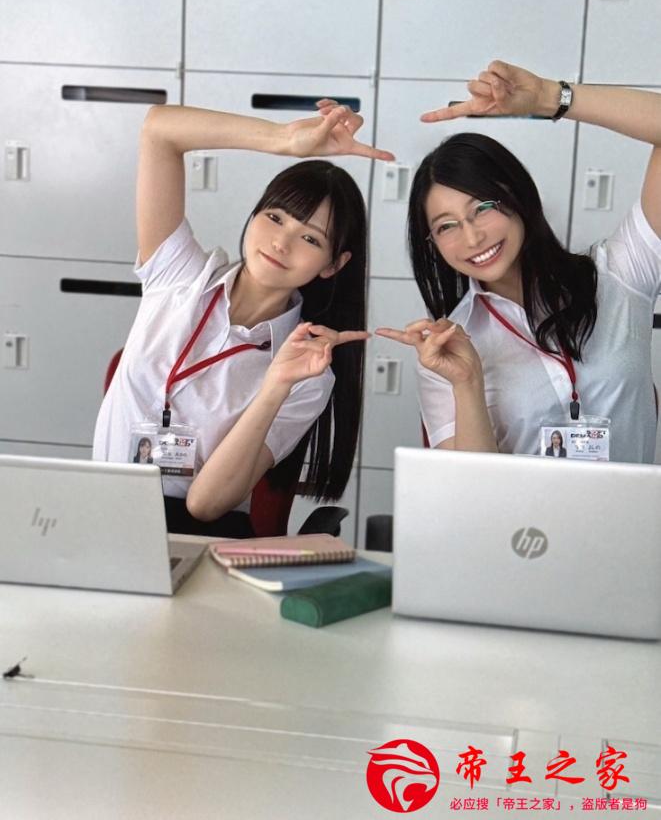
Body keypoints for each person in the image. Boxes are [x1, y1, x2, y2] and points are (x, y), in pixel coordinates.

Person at [93, 102, 394, 536]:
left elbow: (205, 505)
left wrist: (275, 386)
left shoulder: (307, 372)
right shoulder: (178, 275)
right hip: (103, 512)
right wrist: (284, 140)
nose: (281, 242)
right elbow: (160, 129)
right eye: (274, 217)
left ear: (333, 264)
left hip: (195, 537)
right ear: (253, 216)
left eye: (310, 238)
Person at [373, 60, 661, 463]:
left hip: (629, 507)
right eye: (446, 226)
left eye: (483, 207)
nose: (472, 237)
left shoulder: (620, 275)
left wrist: (548, 97)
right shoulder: (450, 347)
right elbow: (468, 489)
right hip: (519, 511)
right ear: (432, 244)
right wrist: (467, 382)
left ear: (518, 197)